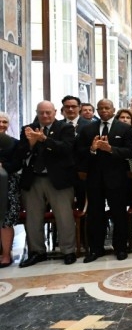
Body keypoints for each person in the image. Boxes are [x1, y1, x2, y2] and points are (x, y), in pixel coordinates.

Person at [15, 101, 78, 266]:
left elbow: (66, 149)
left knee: (64, 217)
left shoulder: (65, 128)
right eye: (41, 112)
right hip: (33, 179)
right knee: (33, 219)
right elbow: (20, 153)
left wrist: (44, 139)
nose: (44, 116)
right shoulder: (28, 129)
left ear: (55, 112)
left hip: (58, 180)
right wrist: (31, 143)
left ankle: (68, 251)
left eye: (48, 112)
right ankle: (37, 252)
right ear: (37, 112)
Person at [78, 99, 132, 262]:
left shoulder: (124, 128)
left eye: (107, 108)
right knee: (95, 215)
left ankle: (121, 248)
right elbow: (79, 151)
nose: (104, 111)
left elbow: (130, 151)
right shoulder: (88, 129)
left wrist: (111, 149)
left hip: (117, 178)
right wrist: (92, 149)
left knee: (119, 214)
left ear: (113, 109)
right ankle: (96, 249)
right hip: (94, 178)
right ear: (97, 110)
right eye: (101, 108)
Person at [0, 112, 19, 267]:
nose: (2, 124)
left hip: (7, 184)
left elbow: (17, 163)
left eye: (5, 122)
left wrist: (2, 166)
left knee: (6, 220)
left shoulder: (14, 143)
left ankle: (6, 255)